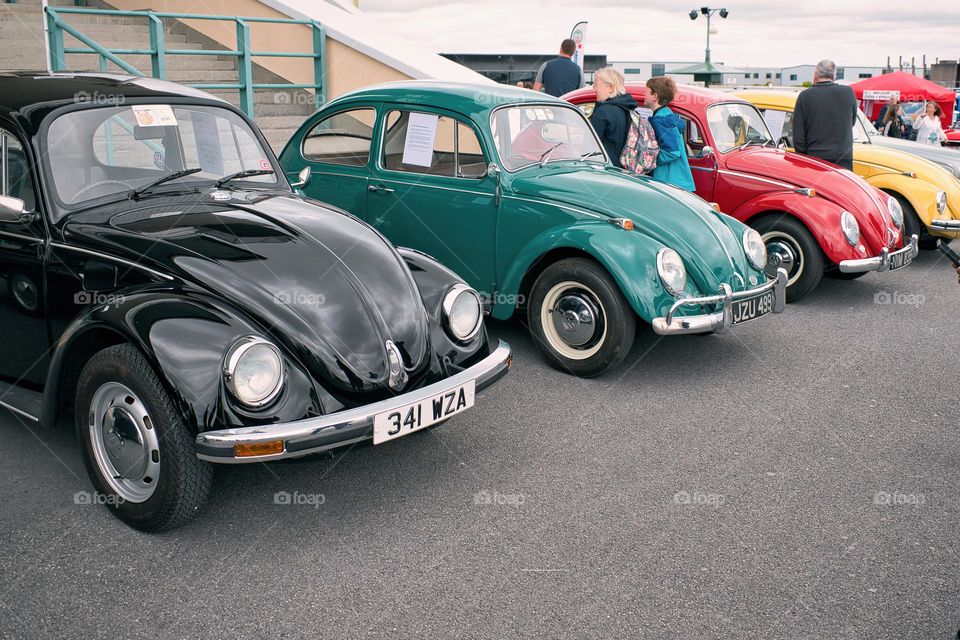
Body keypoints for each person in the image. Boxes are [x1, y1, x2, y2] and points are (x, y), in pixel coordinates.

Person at [792, 59, 858, 170]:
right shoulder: (848, 92)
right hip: (843, 161)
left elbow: (799, 141)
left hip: (813, 162)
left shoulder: (805, 97)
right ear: (834, 76)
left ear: (815, 75)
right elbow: (851, 122)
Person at [644, 76, 695, 191]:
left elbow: (672, 152)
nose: (644, 95)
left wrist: (651, 161)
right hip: (679, 180)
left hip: (669, 182)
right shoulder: (668, 115)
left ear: (654, 96)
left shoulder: (660, 120)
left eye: (646, 92)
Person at [588, 67, 637, 168]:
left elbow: (589, 146)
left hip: (605, 168)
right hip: (625, 168)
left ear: (610, 88)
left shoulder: (602, 112)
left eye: (596, 84)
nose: (594, 88)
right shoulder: (629, 110)